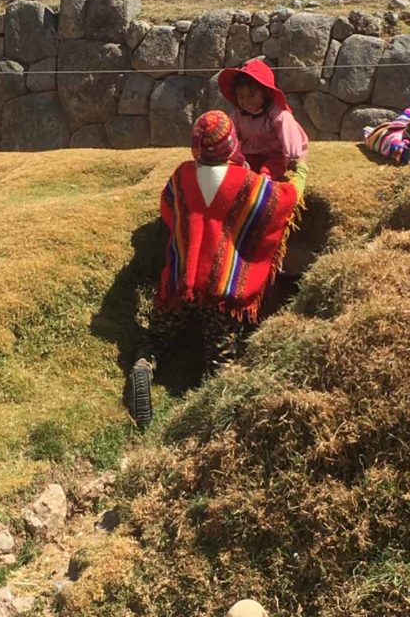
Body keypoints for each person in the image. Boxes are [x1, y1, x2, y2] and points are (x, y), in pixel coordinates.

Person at [126, 110, 307, 429]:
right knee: (221, 362)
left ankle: (145, 363)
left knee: (158, 334)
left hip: (180, 284)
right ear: (231, 144)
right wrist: (300, 172)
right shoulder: (248, 184)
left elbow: (169, 211)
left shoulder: (181, 176)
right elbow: (283, 201)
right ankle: (207, 418)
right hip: (221, 294)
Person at [218, 57, 309, 179]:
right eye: (241, 97)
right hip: (249, 155)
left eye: (251, 95)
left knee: (266, 173)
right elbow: (229, 137)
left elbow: (290, 135)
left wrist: (294, 159)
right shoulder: (237, 117)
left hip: (275, 156)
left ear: (265, 93)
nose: (246, 102)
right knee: (239, 173)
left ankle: (265, 187)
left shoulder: (278, 115)